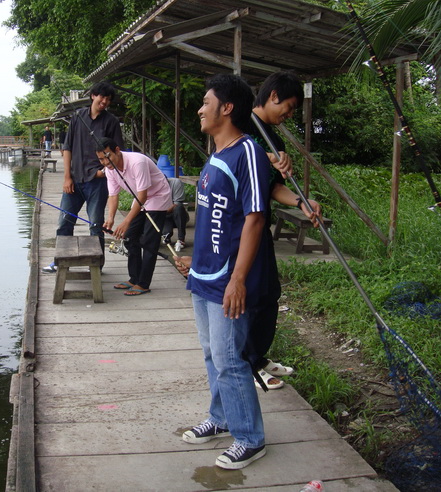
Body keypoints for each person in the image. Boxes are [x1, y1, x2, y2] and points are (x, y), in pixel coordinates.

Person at [175, 74, 272, 470]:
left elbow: (255, 218)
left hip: (229, 282)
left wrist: (237, 280)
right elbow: (215, 219)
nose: (200, 109)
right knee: (213, 353)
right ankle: (221, 418)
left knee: (231, 359)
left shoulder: (246, 151)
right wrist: (194, 264)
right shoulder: (216, 154)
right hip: (204, 278)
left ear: (226, 108)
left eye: (205, 101)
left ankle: (250, 437)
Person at [246, 71, 322, 390]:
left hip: (261, 223)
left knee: (269, 293)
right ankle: (245, 363)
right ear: (274, 96)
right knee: (249, 295)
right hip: (239, 224)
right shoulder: (240, 123)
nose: (289, 115)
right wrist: (263, 156)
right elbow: (230, 157)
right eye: (288, 107)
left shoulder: (274, 138)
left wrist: (301, 203)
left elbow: (273, 188)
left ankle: (258, 355)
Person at [42, 82, 124, 273]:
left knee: (96, 224)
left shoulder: (111, 121)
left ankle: (97, 265)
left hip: (98, 182)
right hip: (75, 180)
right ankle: (60, 261)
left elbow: (117, 152)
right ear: (93, 96)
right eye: (101, 97)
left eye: (108, 99)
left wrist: (102, 172)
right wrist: (67, 177)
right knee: (64, 222)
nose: (104, 102)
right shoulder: (78, 116)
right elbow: (67, 147)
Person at [98, 138, 172, 296]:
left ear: (117, 150)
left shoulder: (137, 162)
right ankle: (134, 278)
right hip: (140, 198)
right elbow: (113, 196)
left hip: (157, 196)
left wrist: (126, 221)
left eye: (107, 156)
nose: (105, 162)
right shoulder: (110, 169)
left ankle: (143, 284)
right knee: (130, 237)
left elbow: (143, 196)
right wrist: (110, 218)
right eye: (101, 159)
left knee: (149, 241)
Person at [161, 177, 190, 252]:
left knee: (179, 207)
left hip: (175, 213)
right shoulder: (153, 187)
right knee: (166, 233)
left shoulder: (176, 182)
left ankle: (181, 239)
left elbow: (177, 203)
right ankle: (166, 236)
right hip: (163, 217)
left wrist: (163, 211)